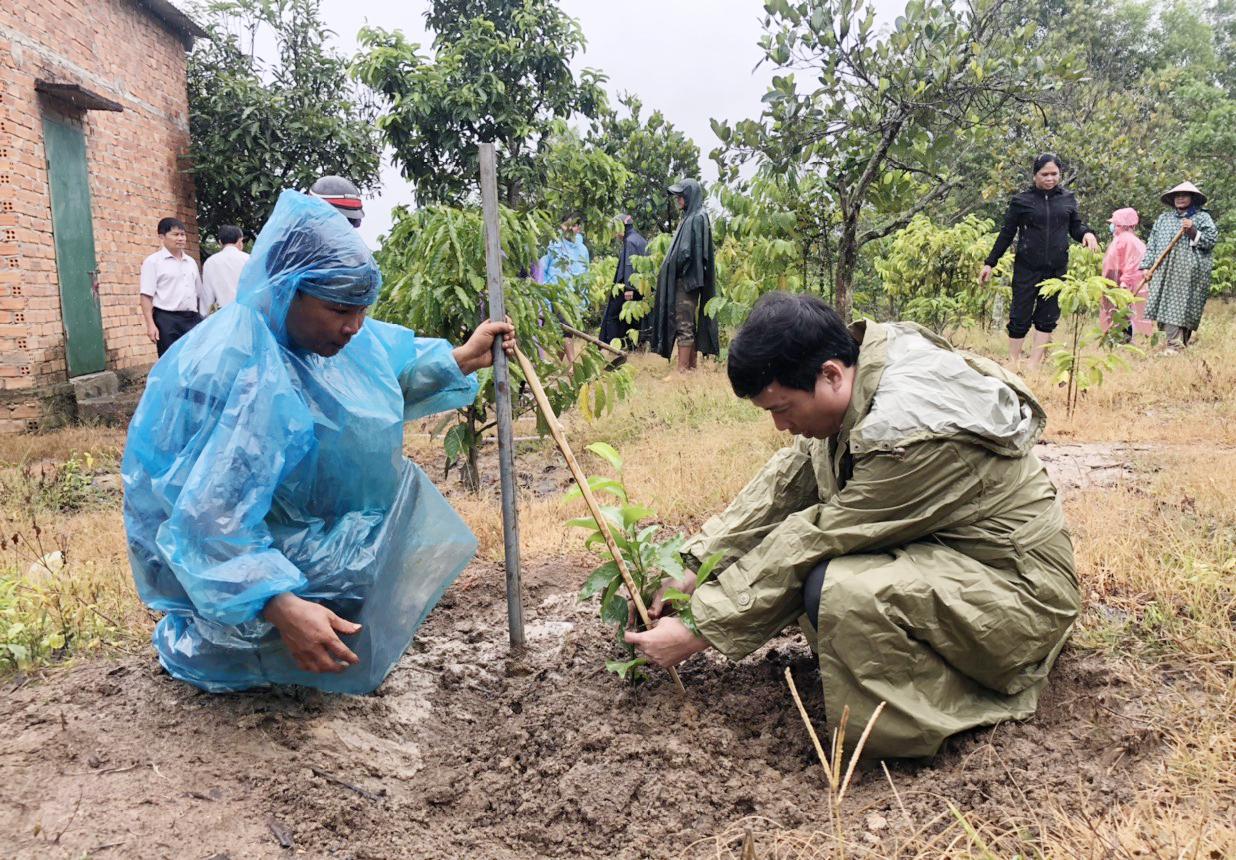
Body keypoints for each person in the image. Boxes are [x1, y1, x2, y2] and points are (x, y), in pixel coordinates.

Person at [625, 293, 1079, 758]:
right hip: (964, 568)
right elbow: (786, 486)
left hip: (1020, 597)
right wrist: (691, 566)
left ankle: (937, 706)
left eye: (782, 408)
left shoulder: (909, 437)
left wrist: (698, 628)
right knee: (819, 576)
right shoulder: (862, 377)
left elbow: (819, 537)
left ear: (830, 375)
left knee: (836, 588)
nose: (780, 425)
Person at [122, 190, 515, 694]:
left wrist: (459, 357)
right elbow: (204, 522)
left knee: (387, 519)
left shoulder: (325, 339)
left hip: (278, 528)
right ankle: (250, 642)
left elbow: (379, 378)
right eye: (339, 311)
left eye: (361, 311)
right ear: (289, 289)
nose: (353, 327)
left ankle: (299, 626)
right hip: (208, 559)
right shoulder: (235, 366)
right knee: (339, 571)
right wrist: (278, 603)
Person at [980, 154, 1099, 369]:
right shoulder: (1021, 201)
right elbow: (1006, 233)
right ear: (1035, 175)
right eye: (1045, 174)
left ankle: (1034, 364)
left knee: (1047, 316)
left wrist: (1086, 234)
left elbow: (1075, 227)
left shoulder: (1068, 199)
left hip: (1056, 268)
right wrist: (990, 262)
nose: (1050, 178)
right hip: (1026, 267)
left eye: (1054, 174)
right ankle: (1013, 362)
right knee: (1020, 314)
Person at [1140, 181, 1218, 352]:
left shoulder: (1202, 217)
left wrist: (1193, 231)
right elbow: (1152, 244)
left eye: (1184, 195)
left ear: (1193, 198)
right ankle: (1175, 345)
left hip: (1188, 273)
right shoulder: (1164, 219)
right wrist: (1147, 267)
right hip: (1163, 272)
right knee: (1162, 307)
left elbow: (1210, 241)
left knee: (1181, 308)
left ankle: (1175, 346)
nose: (1180, 198)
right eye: (1177, 195)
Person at [651, 179, 718, 372]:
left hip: (687, 281)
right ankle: (690, 368)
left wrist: (673, 265)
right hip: (686, 280)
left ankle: (681, 371)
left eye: (681, 195)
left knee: (683, 324)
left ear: (690, 195)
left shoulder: (697, 217)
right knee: (687, 323)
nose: (678, 199)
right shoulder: (690, 217)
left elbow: (687, 252)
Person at [139, 217, 208, 358]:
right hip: (166, 319)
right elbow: (146, 295)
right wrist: (150, 325)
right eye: (175, 234)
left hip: (191, 318)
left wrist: (202, 318)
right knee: (169, 361)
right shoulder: (153, 262)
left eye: (183, 235)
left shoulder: (190, 262)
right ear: (161, 237)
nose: (181, 238)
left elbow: (199, 293)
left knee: (193, 360)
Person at [542, 218, 591, 363]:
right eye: (568, 225)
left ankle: (558, 365)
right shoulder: (554, 243)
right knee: (566, 331)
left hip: (572, 296)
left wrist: (583, 298)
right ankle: (572, 365)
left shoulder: (583, 250)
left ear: (579, 229)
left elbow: (585, 274)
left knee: (566, 331)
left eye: (575, 226)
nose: (571, 228)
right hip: (554, 293)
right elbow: (544, 267)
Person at [1099, 208, 1151, 340]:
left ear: (1123, 225)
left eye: (1115, 224)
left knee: (1120, 310)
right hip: (1115, 278)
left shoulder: (1126, 240)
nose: (1112, 227)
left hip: (1121, 280)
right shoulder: (1123, 238)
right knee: (1117, 310)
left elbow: (1131, 263)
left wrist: (1124, 283)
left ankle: (1122, 338)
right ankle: (1117, 337)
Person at [599, 215, 648, 346]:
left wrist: (629, 288)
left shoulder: (630, 241)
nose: (615, 234)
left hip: (629, 289)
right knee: (633, 320)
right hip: (640, 288)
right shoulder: (639, 239)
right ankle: (633, 347)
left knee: (613, 317)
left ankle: (613, 347)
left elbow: (629, 265)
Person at [201, 225, 249, 311]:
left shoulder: (210, 262)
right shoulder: (248, 259)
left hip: (222, 314)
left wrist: (205, 316)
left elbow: (207, 296)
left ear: (220, 242)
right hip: (246, 312)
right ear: (240, 241)